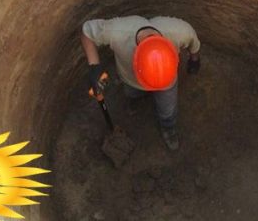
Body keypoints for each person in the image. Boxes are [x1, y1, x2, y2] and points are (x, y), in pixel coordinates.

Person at [81, 15, 201, 151]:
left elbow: (193, 44)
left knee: (168, 109)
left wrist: (194, 59)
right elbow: (87, 32)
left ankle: (168, 128)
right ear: (136, 60)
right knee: (132, 93)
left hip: (167, 82)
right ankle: (135, 101)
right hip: (131, 80)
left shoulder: (180, 32)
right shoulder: (118, 33)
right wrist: (94, 66)